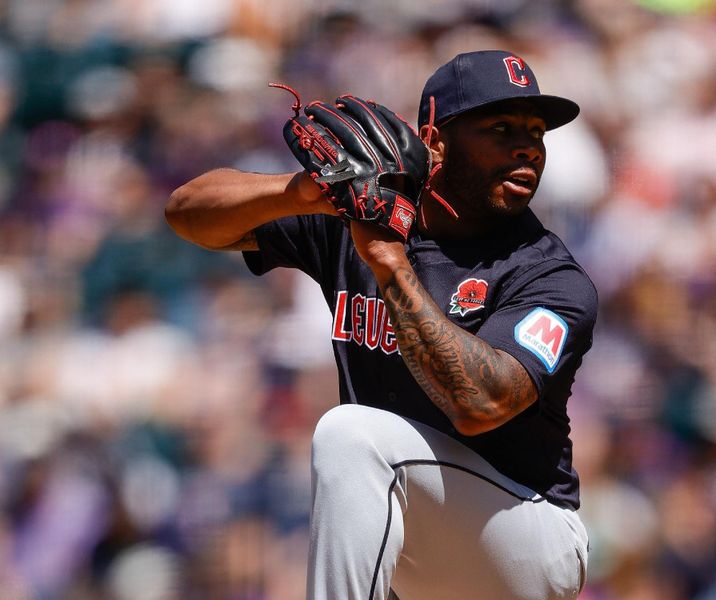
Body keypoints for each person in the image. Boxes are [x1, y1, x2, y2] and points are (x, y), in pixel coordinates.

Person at [166, 50, 595, 600]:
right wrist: (303, 193)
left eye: (537, 132)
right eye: (502, 127)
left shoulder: (547, 272)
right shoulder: (364, 215)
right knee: (360, 446)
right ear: (435, 142)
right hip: (419, 547)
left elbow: (482, 405)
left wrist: (390, 264)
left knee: (350, 434)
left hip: (525, 534)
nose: (527, 148)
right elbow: (187, 213)